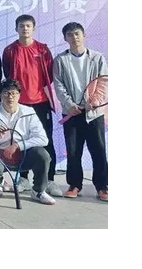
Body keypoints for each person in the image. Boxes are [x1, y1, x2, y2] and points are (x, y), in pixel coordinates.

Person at [1, 14, 60, 196]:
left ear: (33, 28)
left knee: (46, 140)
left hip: (41, 103)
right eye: (21, 26)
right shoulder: (10, 50)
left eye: (28, 26)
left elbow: (49, 74)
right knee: (20, 140)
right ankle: (23, 178)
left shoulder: (42, 50)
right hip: (20, 104)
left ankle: (48, 179)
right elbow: (8, 74)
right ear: (16, 29)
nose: (25, 29)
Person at [53, 22, 108, 201]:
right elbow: (58, 85)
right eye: (70, 34)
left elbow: (103, 82)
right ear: (65, 38)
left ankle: (102, 186)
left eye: (77, 34)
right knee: (73, 151)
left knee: (98, 150)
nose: (74, 37)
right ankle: (74, 185)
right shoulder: (60, 60)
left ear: (83, 35)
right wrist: (69, 105)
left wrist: (95, 102)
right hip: (72, 113)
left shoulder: (97, 57)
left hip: (94, 114)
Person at [0, 79, 56, 205]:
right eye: (6, 93)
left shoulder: (29, 112)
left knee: (43, 155)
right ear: (0, 95)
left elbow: (43, 139)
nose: (10, 97)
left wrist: (18, 146)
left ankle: (38, 191)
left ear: (19, 95)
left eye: (14, 93)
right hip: (1, 153)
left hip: (24, 153)